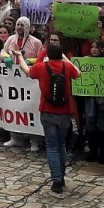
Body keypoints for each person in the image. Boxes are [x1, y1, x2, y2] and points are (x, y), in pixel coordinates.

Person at [18, 40, 79, 195]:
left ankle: (56, 180)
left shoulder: (41, 67)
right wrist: (65, 58)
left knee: (51, 146)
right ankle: (62, 176)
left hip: (47, 111)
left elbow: (26, 70)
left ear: (47, 54)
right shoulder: (67, 67)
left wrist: (19, 57)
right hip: (65, 111)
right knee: (61, 145)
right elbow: (78, 73)